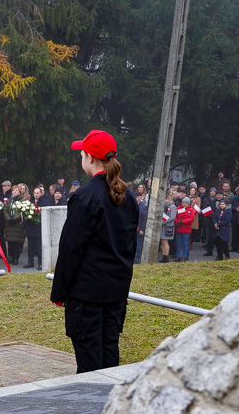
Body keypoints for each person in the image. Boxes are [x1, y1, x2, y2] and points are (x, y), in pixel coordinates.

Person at [51, 130, 138, 373]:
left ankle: (94, 410)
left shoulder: (85, 196)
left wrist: (59, 292)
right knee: (109, 358)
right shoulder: (127, 196)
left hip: (87, 295)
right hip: (115, 292)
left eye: (82, 154)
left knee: (89, 365)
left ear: (89, 157)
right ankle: (111, 408)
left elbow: (70, 249)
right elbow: (129, 248)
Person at [2, 183, 26, 265]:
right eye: (14, 191)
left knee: (16, 242)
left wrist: (14, 218)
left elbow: (21, 211)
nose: (15, 192)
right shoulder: (9, 200)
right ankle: (10, 257)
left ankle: (16, 258)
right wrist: (8, 218)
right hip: (9, 224)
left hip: (17, 224)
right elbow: (5, 210)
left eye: (17, 191)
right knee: (10, 242)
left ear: (19, 192)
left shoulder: (22, 200)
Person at [24, 186, 44, 269]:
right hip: (31, 227)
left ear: (41, 193)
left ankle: (40, 263)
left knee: (39, 247)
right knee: (30, 247)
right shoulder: (30, 202)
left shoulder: (45, 202)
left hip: (39, 228)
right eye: (35, 193)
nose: (36, 195)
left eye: (37, 193)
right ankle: (30, 262)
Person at [173, 196, 195, 261]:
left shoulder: (191, 210)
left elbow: (191, 218)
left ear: (188, 204)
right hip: (179, 228)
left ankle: (185, 256)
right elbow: (175, 216)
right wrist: (177, 222)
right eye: (183, 203)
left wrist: (183, 221)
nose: (184, 204)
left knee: (185, 243)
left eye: (186, 203)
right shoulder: (178, 208)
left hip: (186, 229)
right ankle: (178, 256)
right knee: (178, 243)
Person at [159, 189, 176, 263]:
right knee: (162, 242)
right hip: (163, 226)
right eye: (165, 199)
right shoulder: (163, 207)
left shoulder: (173, 207)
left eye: (167, 199)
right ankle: (163, 255)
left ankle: (166, 256)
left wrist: (164, 222)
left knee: (166, 242)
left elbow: (172, 217)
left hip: (168, 226)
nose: (166, 201)